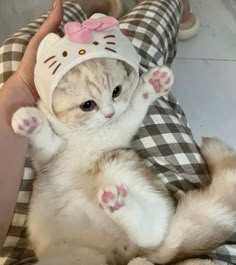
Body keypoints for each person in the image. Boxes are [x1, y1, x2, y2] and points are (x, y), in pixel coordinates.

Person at [0, 0, 232, 264]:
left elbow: (56, 151)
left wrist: (141, 96)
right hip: (73, 222)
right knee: (118, 168)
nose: (109, 111)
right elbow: (51, 154)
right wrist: (39, 128)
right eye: (88, 105)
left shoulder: (91, 112)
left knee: (117, 169)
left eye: (116, 92)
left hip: (72, 225)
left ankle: (82, 8)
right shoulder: (55, 106)